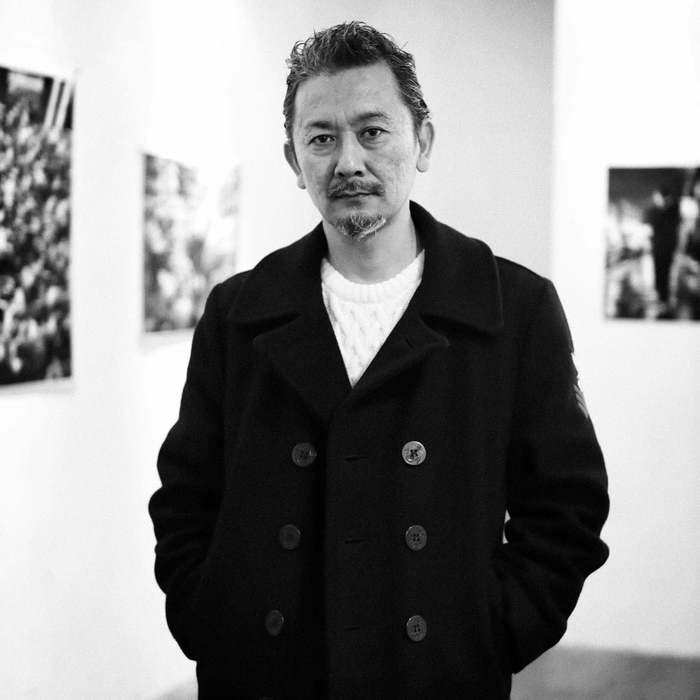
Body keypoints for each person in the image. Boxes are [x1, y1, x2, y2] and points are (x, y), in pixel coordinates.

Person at [149, 21, 609, 700]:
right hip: (265, 676)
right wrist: (210, 617)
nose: (347, 162)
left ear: (422, 142)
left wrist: (492, 632)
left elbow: (566, 505)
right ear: (293, 159)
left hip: (435, 677)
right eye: (321, 138)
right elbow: (187, 495)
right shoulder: (238, 313)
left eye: (372, 132)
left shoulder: (515, 308)